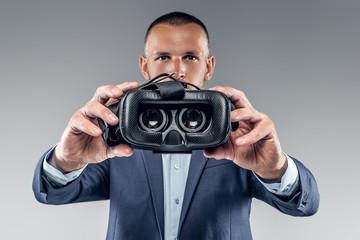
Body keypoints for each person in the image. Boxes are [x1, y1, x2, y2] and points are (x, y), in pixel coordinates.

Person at [33, 12, 319, 240]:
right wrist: (65, 161)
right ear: (145, 67)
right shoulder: (118, 133)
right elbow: (53, 193)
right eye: (163, 57)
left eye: (191, 57)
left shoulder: (236, 132)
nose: (177, 70)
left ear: (209, 66)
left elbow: (302, 205)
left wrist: (275, 168)